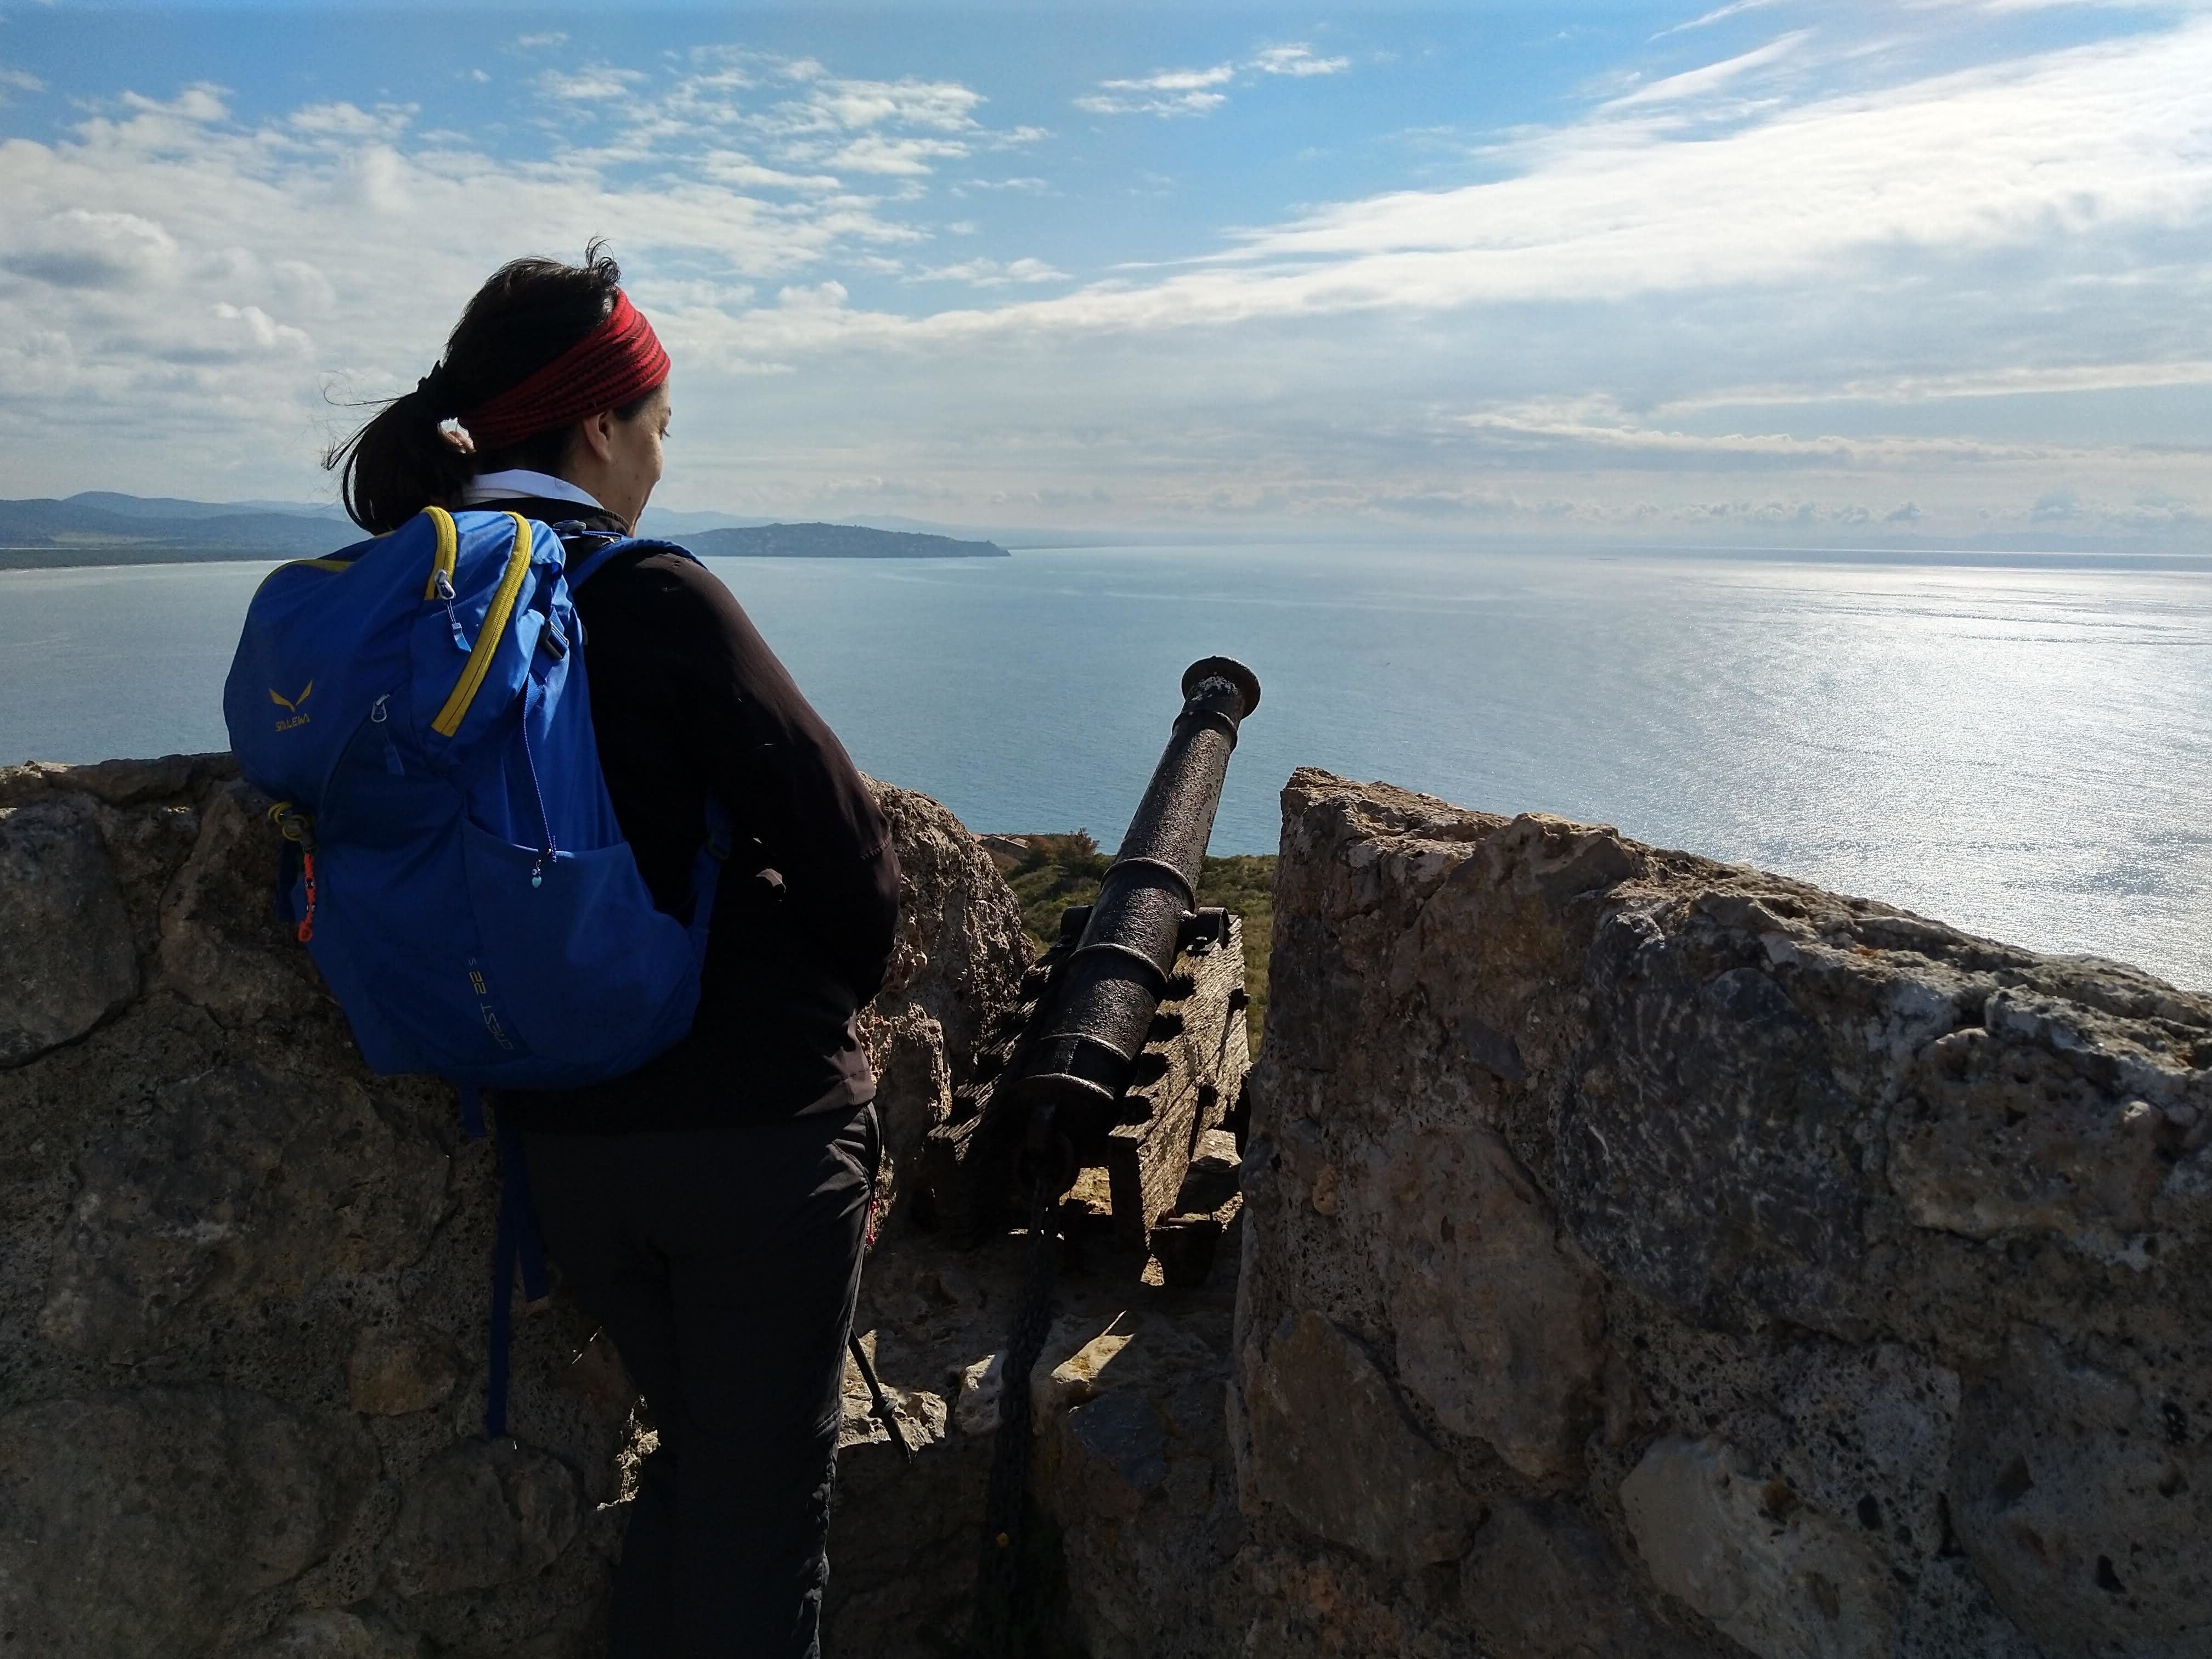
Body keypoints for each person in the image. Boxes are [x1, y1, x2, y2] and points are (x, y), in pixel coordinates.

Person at [326, 244, 900, 1658]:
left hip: (561, 1140)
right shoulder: (646, 590)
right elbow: (849, 851)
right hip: (753, 1142)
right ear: (595, 427)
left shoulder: (419, 593)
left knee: (703, 1484)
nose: (658, 460)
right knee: (767, 1532)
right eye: (652, 428)